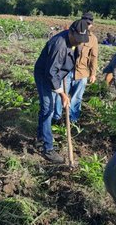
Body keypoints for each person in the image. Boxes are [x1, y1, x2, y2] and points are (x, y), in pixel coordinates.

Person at [33, 19, 88, 161]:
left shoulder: (74, 42)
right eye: (77, 39)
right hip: (45, 75)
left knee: (47, 108)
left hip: (57, 75)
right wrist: (63, 93)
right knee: (48, 109)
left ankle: (40, 138)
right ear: (70, 32)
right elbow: (51, 73)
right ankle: (47, 148)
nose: (79, 42)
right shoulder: (59, 45)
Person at [54, 15, 97, 126]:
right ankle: (57, 117)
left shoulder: (93, 39)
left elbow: (93, 57)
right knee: (61, 95)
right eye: (84, 23)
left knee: (77, 98)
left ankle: (73, 120)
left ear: (91, 25)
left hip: (82, 72)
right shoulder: (71, 34)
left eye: (88, 24)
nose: (86, 26)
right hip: (67, 71)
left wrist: (93, 73)